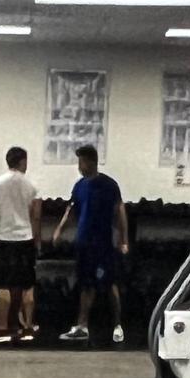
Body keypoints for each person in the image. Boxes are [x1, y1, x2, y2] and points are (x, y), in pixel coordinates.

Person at [51, 144, 128, 344]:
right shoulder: (79, 185)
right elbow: (71, 210)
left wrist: (124, 239)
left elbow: (120, 211)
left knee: (109, 284)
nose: (79, 166)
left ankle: (118, 325)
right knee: (86, 284)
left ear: (92, 162)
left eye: (82, 162)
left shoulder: (109, 185)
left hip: (103, 243)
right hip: (83, 242)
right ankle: (82, 326)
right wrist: (60, 229)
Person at [0, 145, 40, 343]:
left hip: (3, 240)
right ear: (23, 161)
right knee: (27, 285)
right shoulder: (32, 186)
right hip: (25, 239)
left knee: (3, 285)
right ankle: (28, 327)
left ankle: (2, 327)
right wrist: (37, 243)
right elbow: (36, 217)